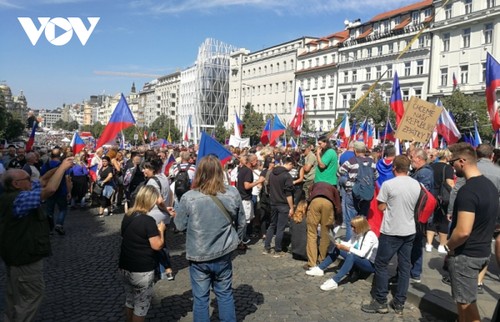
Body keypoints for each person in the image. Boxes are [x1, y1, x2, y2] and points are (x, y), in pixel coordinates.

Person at [0, 157, 74, 322]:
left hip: (15, 256)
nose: (30, 180)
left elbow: (44, 179)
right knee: (30, 298)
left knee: (14, 299)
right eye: (26, 178)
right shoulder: (19, 199)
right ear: (16, 184)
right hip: (24, 257)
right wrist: (62, 168)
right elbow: (50, 189)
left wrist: (63, 164)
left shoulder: (18, 192)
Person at [173, 155, 245, 322]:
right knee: (225, 294)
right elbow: (242, 223)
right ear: (220, 172)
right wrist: (237, 241)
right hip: (223, 252)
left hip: (199, 253)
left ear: (199, 173)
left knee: (201, 299)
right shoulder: (232, 193)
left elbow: (179, 226)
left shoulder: (189, 197)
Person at [445, 143, 498, 322]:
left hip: (466, 255)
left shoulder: (468, 191)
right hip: (482, 251)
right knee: (465, 303)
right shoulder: (490, 187)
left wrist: (448, 245)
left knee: (466, 305)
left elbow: (463, 231)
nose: (452, 167)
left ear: (462, 161)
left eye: (452, 163)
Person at [361, 155, 421, 315]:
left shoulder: (388, 184)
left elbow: (380, 207)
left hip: (392, 230)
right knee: (404, 266)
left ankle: (380, 301)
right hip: (409, 230)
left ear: (394, 167)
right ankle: (399, 302)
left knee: (381, 264)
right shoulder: (416, 184)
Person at [118, 185, 166, 322]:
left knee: (130, 300)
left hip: (124, 266)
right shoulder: (148, 221)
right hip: (141, 270)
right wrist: (161, 230)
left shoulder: (128, 215)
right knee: (141, 306)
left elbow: (124, 235)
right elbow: (157, 245)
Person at [307, 216, 378, 291]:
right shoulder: (357, 232)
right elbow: (350, 244)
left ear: (360, 227)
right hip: (359, 258)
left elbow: (362, 253)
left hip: (369, 264)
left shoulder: (370, 236)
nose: (352, 229)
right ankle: (320, 268)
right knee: (338, 248)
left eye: (354, 227)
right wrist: (339, 242)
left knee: (352, 256)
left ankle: (334, 281)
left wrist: (346, 248)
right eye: (351, 226)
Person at [337, 141, 378, 240]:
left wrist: (348, 181)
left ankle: (350, 246)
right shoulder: (372, 162)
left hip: (352, 193)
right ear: (364, 150)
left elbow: (340, 172)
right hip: (366, 194)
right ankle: (361, 243)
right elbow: (376, 176)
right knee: (362, 220)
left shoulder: (351, 161)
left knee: (350, 221)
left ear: (355, 150)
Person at [304, 181, 341, 270]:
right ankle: (322, 259)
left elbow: (308, 197)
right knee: (325, 234)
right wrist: (337, 218)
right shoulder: (333, 188)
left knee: (312, 233)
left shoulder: (314, 185)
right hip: (328, 204)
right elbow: (338, 205)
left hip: (315, 202)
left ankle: (312, 263)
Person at [263, 156, 295, 257]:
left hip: (273, 202)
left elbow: (268, 187)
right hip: (283, 204)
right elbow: (288, 194)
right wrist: (292, 207)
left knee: (272, 225)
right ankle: (277, 250)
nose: (292, 168)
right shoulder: (286, 175)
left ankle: (266, 247)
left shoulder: (272, 173)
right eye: (292, 166)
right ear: (289, 163)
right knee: (280, 228)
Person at [427, 149, 454, 254]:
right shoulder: (448, 168)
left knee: (431, 219)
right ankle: (442, 245)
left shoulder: (431, 166)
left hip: (431, 196)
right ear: (447, 157)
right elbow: (450, 183)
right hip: (443, 198)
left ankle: (428, 244)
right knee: (443, 220)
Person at [40, 148, 72, 235]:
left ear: (51, 155)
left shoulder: (46, 165)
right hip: (61, 191)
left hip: (48, 191)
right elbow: (67, 179)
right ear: (60, 155)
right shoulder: (64, 165)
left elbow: (42, 179)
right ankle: (59, 224)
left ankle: (50, 228)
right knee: (63, 209)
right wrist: (69, 191)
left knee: (49, 210)